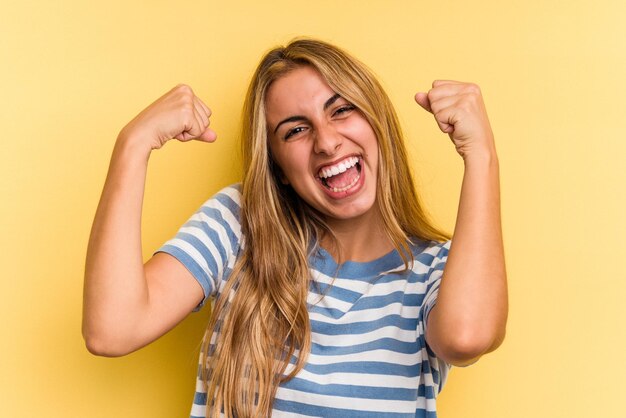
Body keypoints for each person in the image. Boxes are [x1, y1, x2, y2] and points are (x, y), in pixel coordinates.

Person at [83, 38, 508, 418]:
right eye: (296, 131)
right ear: (279, 168)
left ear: (378, 125)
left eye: (341, 110)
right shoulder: (240, 224)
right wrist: (133, 144)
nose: (326, 142)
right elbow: (112, 329)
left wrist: (482, 155)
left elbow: (466, 338)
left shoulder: (439, 268)